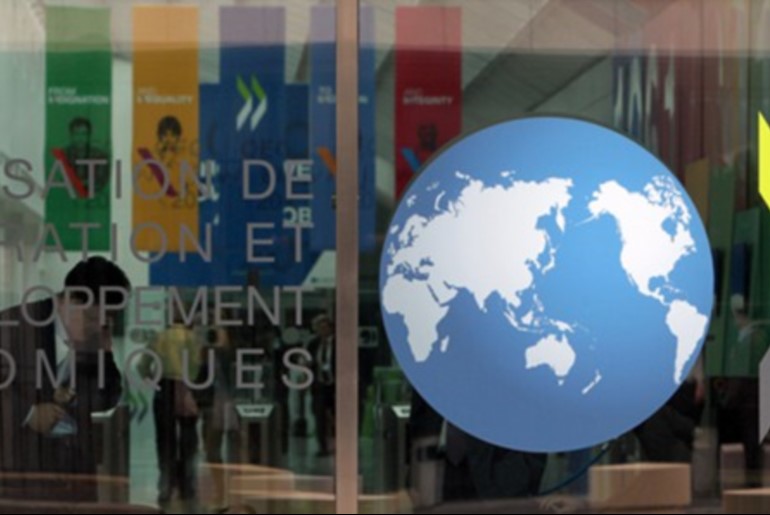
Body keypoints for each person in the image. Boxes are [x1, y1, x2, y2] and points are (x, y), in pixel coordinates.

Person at [0, 257, 129, 502]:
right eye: (91, 317)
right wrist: (29, 414)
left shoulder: (96, 335)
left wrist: (105, 353)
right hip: (22, 474)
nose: (97, 326)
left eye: (107, 319)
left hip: (75, 477)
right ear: (68, 299)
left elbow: (108, 398)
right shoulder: (13, 324)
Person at [137, 312, 203, 507]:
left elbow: (142, 366)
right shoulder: (194, 339)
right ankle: (188, 486)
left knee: (165, 439)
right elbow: (198, 365)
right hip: (188, 388)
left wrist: (153, 382)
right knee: (188, 439)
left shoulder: (159, 338)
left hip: (164, 387)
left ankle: (166, 484)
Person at [307, 314, 335, 457]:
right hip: (320, 385)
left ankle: (342, 445)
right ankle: (322, 447)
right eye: (318, 328)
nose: (322, 330)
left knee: (339, 417)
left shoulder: (340, 343)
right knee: (319, 416)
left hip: (336, 385)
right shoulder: (313, 344)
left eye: (324, 327)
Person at [64, 117, 110, 195]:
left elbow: (100, 183)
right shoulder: (63, 154)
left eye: (83, 134)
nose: (80, 138)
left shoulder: (100, 155)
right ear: (71, 135)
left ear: (89, 135)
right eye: (76, 134)